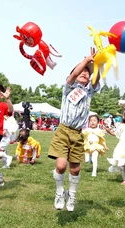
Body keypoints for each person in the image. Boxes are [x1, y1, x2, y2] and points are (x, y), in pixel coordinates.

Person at [48, 47, 101, 212]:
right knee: (62, 166)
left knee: (75, 168)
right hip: (63, 131)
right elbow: (72, 75)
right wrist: (86, 60)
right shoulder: (69, 87)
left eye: (87, 72)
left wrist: (97, 63)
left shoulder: (89, 92)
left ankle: (72, 195)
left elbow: (96, 79)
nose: (85, 73)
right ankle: (59, 192)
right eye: (81, 71)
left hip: (77, 134)